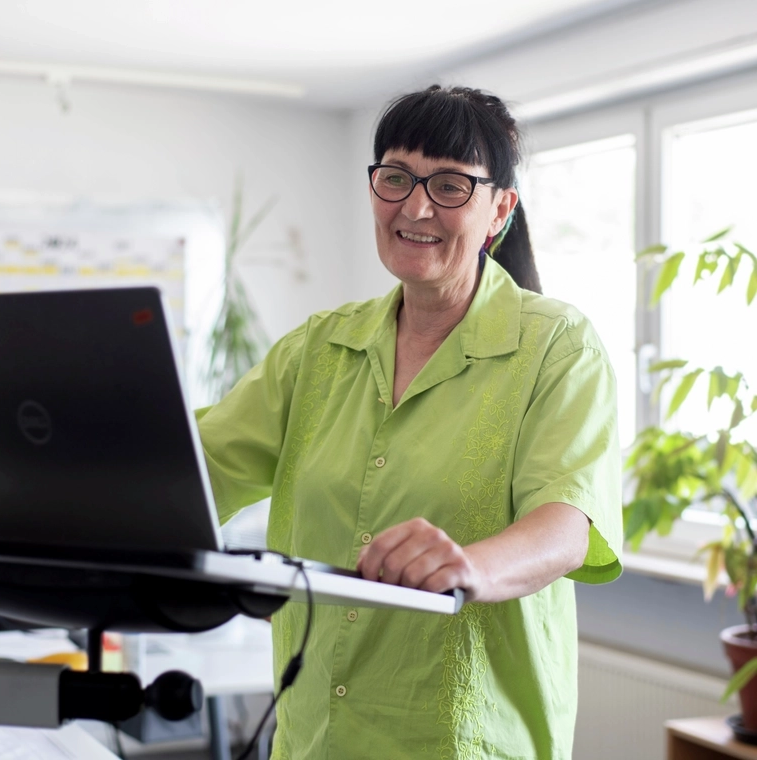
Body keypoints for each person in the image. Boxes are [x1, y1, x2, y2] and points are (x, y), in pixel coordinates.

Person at [195, 85, 623, 760]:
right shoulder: (318, 349)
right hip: (314, 740)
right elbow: (195, 474)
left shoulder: (556, 346)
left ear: (498, 210)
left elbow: (567, 528)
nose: (415, 206)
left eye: (451, 185)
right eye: (396, 178)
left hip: (463, 743)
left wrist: (468, 566)